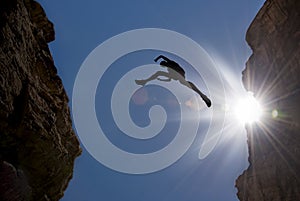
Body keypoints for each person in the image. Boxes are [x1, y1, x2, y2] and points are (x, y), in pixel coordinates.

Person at [135, 55, 211, 107]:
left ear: (164, 63)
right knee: (159, 73)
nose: (165, 66)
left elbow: (162, 56)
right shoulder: (169, 70)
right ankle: (144, 81)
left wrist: (157, 59)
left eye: (164, 65)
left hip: (180, 72)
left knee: (183, 82)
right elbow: (169, 79)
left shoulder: (170, 62)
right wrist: (160, 79)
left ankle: (203, 96)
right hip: (175, 75)